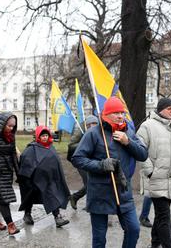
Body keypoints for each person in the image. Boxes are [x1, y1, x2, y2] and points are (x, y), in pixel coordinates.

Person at [72, 96, 148, 248]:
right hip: (100, 192)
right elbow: (78, 158)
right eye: (116, 113)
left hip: (123, 191)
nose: (120, 116)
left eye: (122, 112)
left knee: (133, 229)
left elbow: (143, 154)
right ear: (106, 114)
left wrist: (128, 142)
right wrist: (101, 165)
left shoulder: (129, 131)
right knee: (99, 238)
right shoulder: (93, 133)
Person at [137, 98, 171, 248]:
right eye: (169, 108)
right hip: (156, 180)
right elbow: (140, 150)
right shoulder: (147, 126)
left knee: (160, 216)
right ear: (160, 110)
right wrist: (149, 171)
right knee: (164, 217)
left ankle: (154, 244)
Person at [18, 125, 70, 227]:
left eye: (46, 135)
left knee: (52, 195)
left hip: (49, 179)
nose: (45, 137)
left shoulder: (51, 147)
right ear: (38, 136)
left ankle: (57, 217)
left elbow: (55, 163)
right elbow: (25, 161)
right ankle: (27, 214)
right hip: (34, 180)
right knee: (30, 196)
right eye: (42, 136)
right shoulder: (32, 148)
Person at [67, 115, 98, 210]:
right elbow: (71, 145)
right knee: (89, 181)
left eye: (95, 123)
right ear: (86, 125)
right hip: (79, 159)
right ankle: (78, 198)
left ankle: (82, 200)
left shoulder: (97, 132)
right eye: (90, 124)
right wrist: (84, 142)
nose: (93, 125)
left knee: (92, 181)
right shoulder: (80, 131)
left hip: (91, 160)